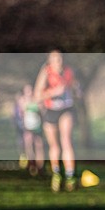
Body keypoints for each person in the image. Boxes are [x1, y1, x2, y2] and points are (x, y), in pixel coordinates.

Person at [34, 50, 80, 192]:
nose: (58, 61)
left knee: (66, 141)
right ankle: (56, 174)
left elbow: (75, 87)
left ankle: (70, 175)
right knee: (54, 145)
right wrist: (53, 92)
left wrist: (77, 90)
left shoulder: (68, 71)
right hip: (51, 110)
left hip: (66, 109)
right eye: (55, 59)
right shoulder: (46, 73)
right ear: (50, 61)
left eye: (60, 58)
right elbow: (37, 96)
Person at [19, 84, 45, 176]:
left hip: (37, 126)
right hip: (27, 127)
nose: (29, 92)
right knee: (29, 145)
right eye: (27, 91)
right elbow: (22, 111)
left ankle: (40, 166)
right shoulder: (22, 100)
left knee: (39, 145)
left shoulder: (37, 99)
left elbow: (42, 109)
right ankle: (32, 165)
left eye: (30, 90)